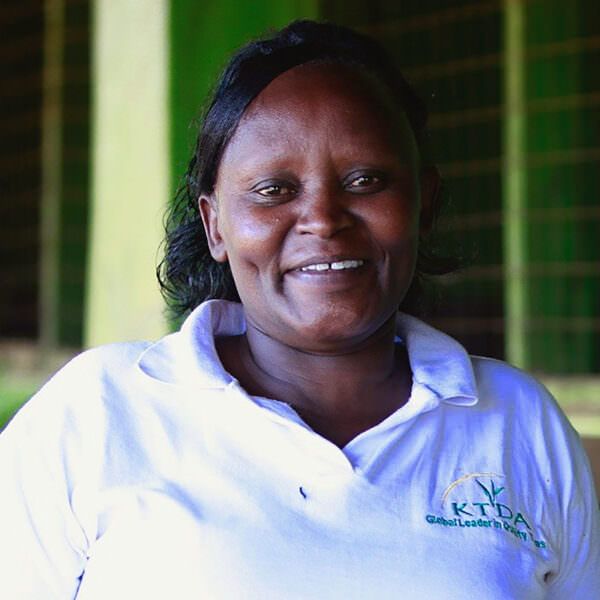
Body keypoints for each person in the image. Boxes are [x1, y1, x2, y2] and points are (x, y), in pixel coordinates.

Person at [1, 20, 598, 599]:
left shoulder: (519, 424)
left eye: (365, 181)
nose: (323, 219)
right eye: (274, 191)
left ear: (424, 203)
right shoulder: (102, 413)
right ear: (216, 226)